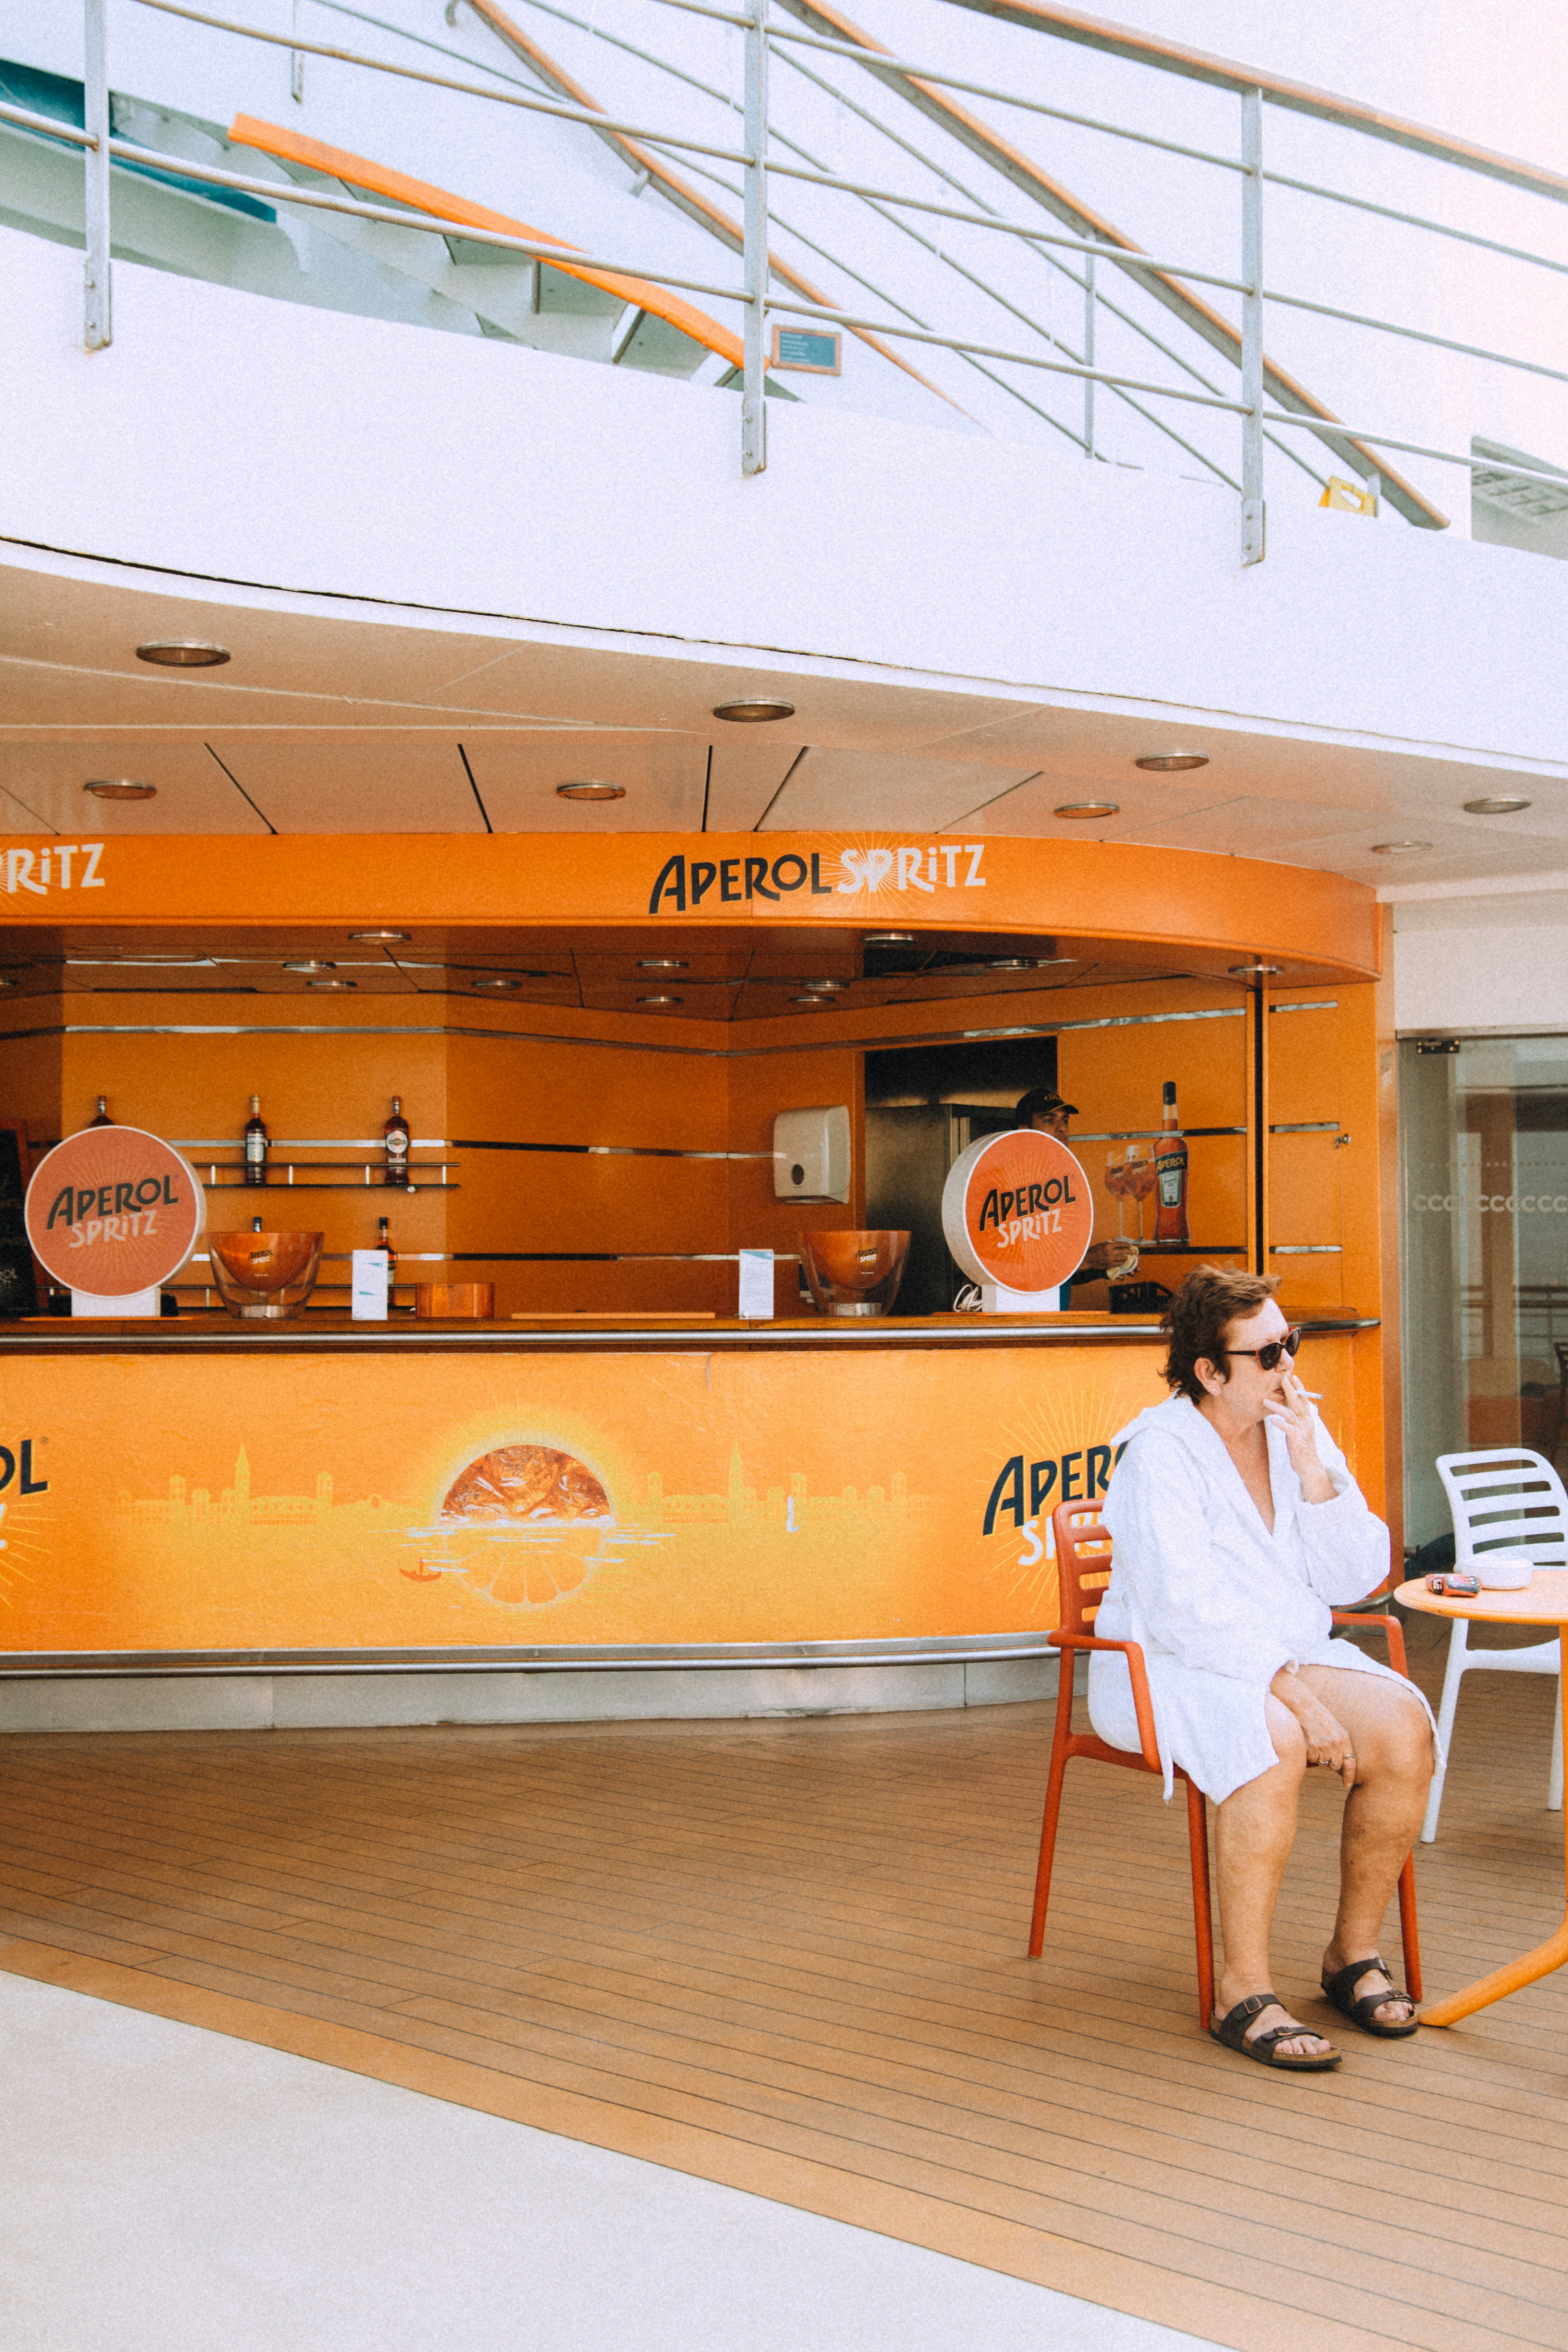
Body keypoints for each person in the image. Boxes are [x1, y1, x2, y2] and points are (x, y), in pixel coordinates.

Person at [1088, 1265, 1436, 2070]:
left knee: (1403, 1727)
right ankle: (1239, 1989)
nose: (1289, 1366)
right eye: (1268, 1353)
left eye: (1292, 1343)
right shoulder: (1160, 1454)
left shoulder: (1294, 1424)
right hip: (1163, 1664)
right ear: (1210, 1371)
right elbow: (1182, 1612)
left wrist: (1313, 1464)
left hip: (1284, 1647)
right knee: (1274, 1735)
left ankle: (1350, 1953)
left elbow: (1356, 1575)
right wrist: (1289, 1690)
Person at [1013, 1088, 1136, 1286]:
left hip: (1057, 1313)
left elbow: (1058, 1274)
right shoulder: (1010, 1184)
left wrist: (1101, 1268)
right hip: (1022, 1314)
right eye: (1049, 1120)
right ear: (1024, 1131)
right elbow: (1013, 1266)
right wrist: (1087, 1260)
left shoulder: (1059, 1185)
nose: (1062, 1129)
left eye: (1065, 1121)